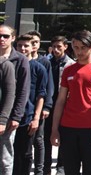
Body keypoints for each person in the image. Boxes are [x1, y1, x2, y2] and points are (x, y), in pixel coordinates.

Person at [50, 30, 91, 175]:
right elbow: (60, 101)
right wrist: (54, 129)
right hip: (68, 127)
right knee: (70, 169)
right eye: (76, 47)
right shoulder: (68, 70)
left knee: (90, 169)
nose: (79, 52)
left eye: (83, 48)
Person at [14, 34, 48, 175]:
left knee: (26, 153)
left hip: (28, 117)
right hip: (10, 116)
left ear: (32, 47)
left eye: (26, 46)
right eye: (20, 45)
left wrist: (36, 118)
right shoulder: (11, 64)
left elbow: (41, 95)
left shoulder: (39, 68)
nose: (22, 48)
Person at [0, 24, 31, 175]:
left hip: (7, 116)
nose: (2, 39)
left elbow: (22, 91)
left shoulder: (20, 59)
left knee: (5, 157)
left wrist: (16, 116)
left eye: (5, 36)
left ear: (13, 38)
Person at [44, 35, 74, 175]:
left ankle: (61, 166)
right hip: (49, 104)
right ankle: (46, 165)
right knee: (46, 135)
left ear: (65, 47)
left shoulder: (71, 64)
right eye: (54, 47)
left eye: (59, 47)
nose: (56, 50)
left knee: (63, 136)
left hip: (64, 104)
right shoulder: (47, 62)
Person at [25, 30, 54, 175]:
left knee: (38, 139)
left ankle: (40, 170)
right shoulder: (21, 60)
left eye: (36, 42)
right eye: (31, 42)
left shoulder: (44, 62)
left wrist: (46, 106)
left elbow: (48, 86)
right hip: (25, 106)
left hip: (39, 105)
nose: (33, 45)